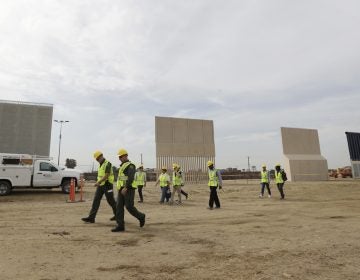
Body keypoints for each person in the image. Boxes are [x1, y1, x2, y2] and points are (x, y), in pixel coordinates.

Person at [111, 148, 145, 232]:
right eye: (119, 157)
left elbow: (130, 177)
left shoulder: (130, 165)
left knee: (129, 206)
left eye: (121, 156)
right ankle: (120, 225)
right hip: (121, 189)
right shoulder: (122, 166)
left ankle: (141, 216)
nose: (120, 158)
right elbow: (122, 177)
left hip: (128, 189)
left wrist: (126, 187)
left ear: (126, 156)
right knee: (119, 207)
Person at [82, 151, 116, 223]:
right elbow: (101, 175)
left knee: (111, 201)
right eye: (96, 159)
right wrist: (99, 182)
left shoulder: (108, 164)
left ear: (101, 156)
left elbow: (107, 175)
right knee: (96, 200)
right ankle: (91, 218)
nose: (97, 160)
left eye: (98, 158)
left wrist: (98, 182)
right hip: (101, 185)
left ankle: (118, 215)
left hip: (107, 185)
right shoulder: (101, 164)